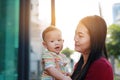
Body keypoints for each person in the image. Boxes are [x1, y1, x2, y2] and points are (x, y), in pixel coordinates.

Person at [71, 15, 114, 80]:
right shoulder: (78, 65)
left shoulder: (101, 66)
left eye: (80, 35)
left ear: (94, 38)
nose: (75, 39)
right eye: (75, 34)